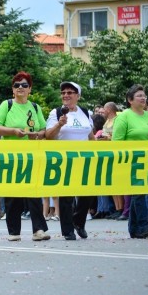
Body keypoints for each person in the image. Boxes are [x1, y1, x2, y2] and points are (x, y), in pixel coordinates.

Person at [0, 71, 49, 242]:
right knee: (13, 194)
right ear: (12, 89)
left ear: (30, 88)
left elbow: (44, 129)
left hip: (32, 155)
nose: (20, 88)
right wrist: (13, 132)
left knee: (34, 192)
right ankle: (14, 231)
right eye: (17, 85)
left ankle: (38, 230)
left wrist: (37, 134)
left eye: (24, 85)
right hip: (11, 156)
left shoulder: (35, 107)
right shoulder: (7, 105)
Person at [45, 81, 95, 240]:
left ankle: (78, 222)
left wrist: (99, 152)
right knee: (66, 196)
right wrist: (59, 125)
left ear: (78, 96)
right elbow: (48, 135)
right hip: (64, 159)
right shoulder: (56, 112)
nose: (66, 95)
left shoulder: (86, 112)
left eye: (70, 92)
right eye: (63, 93)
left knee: (87, 192)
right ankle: (68, 231)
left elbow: (90, 135)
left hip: (84, 159)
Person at [113, 84, 148, 239]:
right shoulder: (124, 116)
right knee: (139, 193)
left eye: (144, 95)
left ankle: (133, 228)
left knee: (138, 193)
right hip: (131, 161)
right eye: (139, 96)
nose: (143, 98)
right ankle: (143, 226)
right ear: (130, 100)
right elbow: (117, 141)